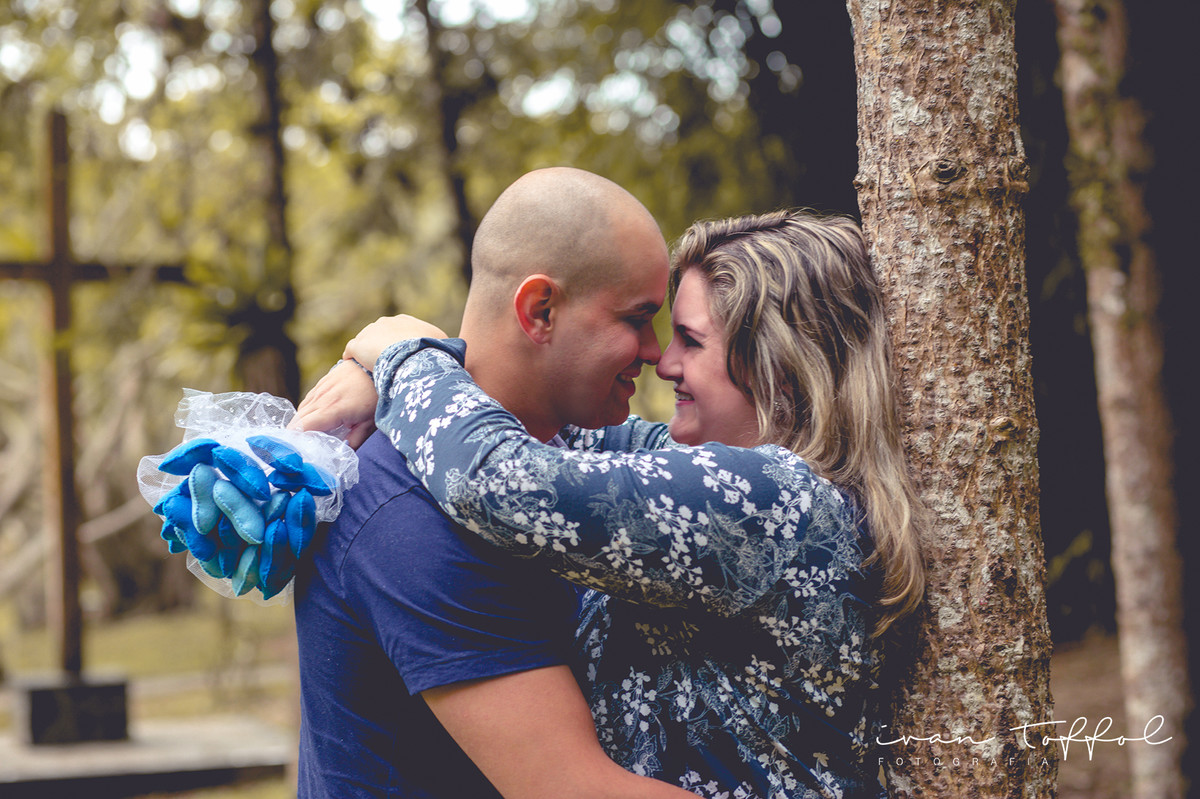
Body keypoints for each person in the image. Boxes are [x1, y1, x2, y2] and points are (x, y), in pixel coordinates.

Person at [297, 210, 926, 798]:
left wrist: (403, 357)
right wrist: (385, 373)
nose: (663, 361)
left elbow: (501, 479)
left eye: (690, 340)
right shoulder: (751, 489)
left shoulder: (774, 500)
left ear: (779, 367)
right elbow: (541, 424)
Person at [292, 167, 695, 798]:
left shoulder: (562, 448)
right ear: (540, 311)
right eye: (637, 318)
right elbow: (577, 791)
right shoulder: (409, 512)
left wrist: (397, 352)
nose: (656, 352)